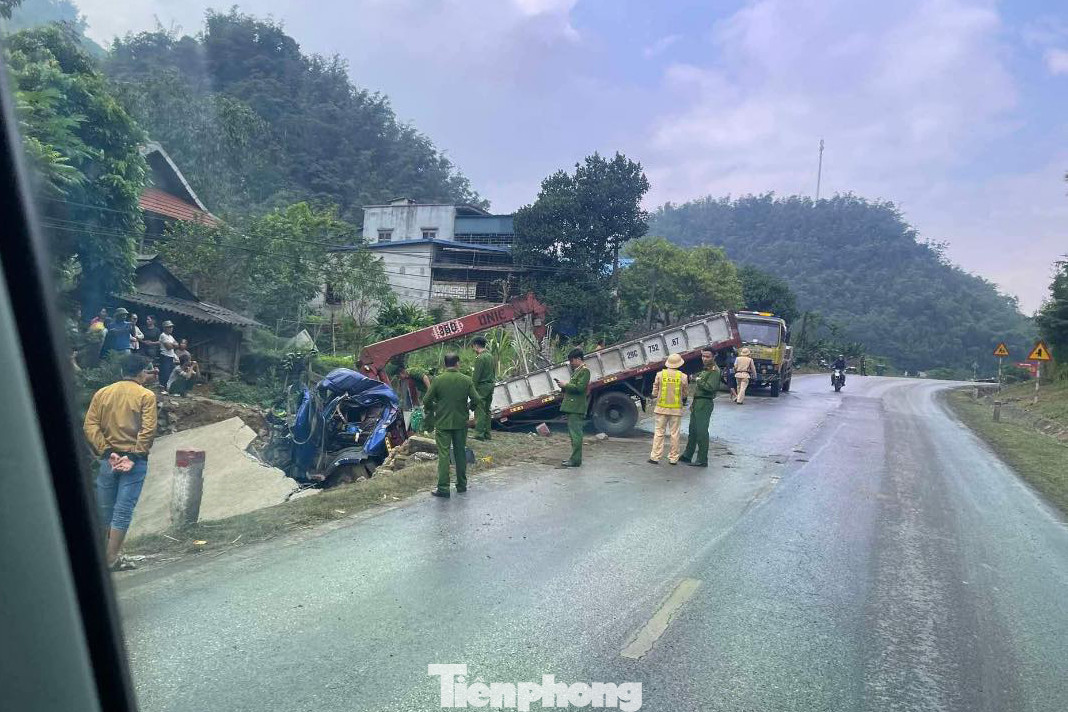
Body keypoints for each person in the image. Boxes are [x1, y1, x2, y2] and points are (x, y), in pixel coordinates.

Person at [82, 354, 158, 570]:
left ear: (122, 371)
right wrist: (134, 455)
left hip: (109, 460)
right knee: (123, 510)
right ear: (142, 373)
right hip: (134, 461)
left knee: (104, 509)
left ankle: (100, 557)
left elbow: (90, 426)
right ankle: (112, 558)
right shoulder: (146, 395)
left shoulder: (102, 393)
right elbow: (148, 429)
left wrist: (107, 451)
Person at [422, 352, 481, 498]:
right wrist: (469, 408)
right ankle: (461, 485)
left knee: (444, 455)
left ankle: (443, 488)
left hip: (442, 423)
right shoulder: (466, 380)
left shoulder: (438, 380)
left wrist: (435, 407)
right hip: (461, 423)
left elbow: (426, 400)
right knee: (460, 453)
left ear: (444, 364)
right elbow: (476, 399)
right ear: (457, 363)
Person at [680, 349, 720, 468]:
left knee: (701, 431)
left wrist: (698, 380)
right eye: (703, 356)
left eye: (708, 356)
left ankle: (702, 459)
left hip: (705, 402)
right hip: (698, 401)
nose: (704, 359)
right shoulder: (706, 369)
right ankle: (688, 454)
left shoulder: (714, 371)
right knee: (693, 430)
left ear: (714, 357)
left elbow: (711, 388)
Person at [648, 352, 687, 465]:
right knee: (674, 434)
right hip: (676, 410)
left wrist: (655, 395)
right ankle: (673, 458)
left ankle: (655, 457)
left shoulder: (660, 374)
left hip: (661, 409)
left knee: (659, 433)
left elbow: (655, 391)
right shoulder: (683, 376)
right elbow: (685, 393)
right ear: (679, 364)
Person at [554, 348, 590, 468]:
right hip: (573, 407)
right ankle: (574, 458)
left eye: (572, 360)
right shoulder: (578, 371)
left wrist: (566, 385)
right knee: (573, 434)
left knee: (576, 435)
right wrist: (563, 386)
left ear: (578, 359)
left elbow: (579, 388)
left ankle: (575, 460)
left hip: (576, 407)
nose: (571, 363)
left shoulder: (585, 371)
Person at [471, 336, 495, 441]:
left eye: (473, 346)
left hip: (482, 387)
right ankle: (487, 434)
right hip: (490, 385)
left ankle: (479, 434)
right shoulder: (490, 356)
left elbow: (476, 377)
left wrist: (472, 389)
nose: (473, 349)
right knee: (487, 410)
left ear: (476, 345)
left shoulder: (480, 358)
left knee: (480, 410)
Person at [158, 320, 178, 392]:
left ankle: (167, 387)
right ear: (165, 328)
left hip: (170, 356)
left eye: (171, 327)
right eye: (169, 327)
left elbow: (177, 344)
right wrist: (173, 345)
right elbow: (168, 347)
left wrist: (173, 344)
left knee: (170, 373)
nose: (171, 328)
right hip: (165, 356)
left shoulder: (170, 337)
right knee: (165, 372)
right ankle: (162, 388)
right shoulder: (163, 335)